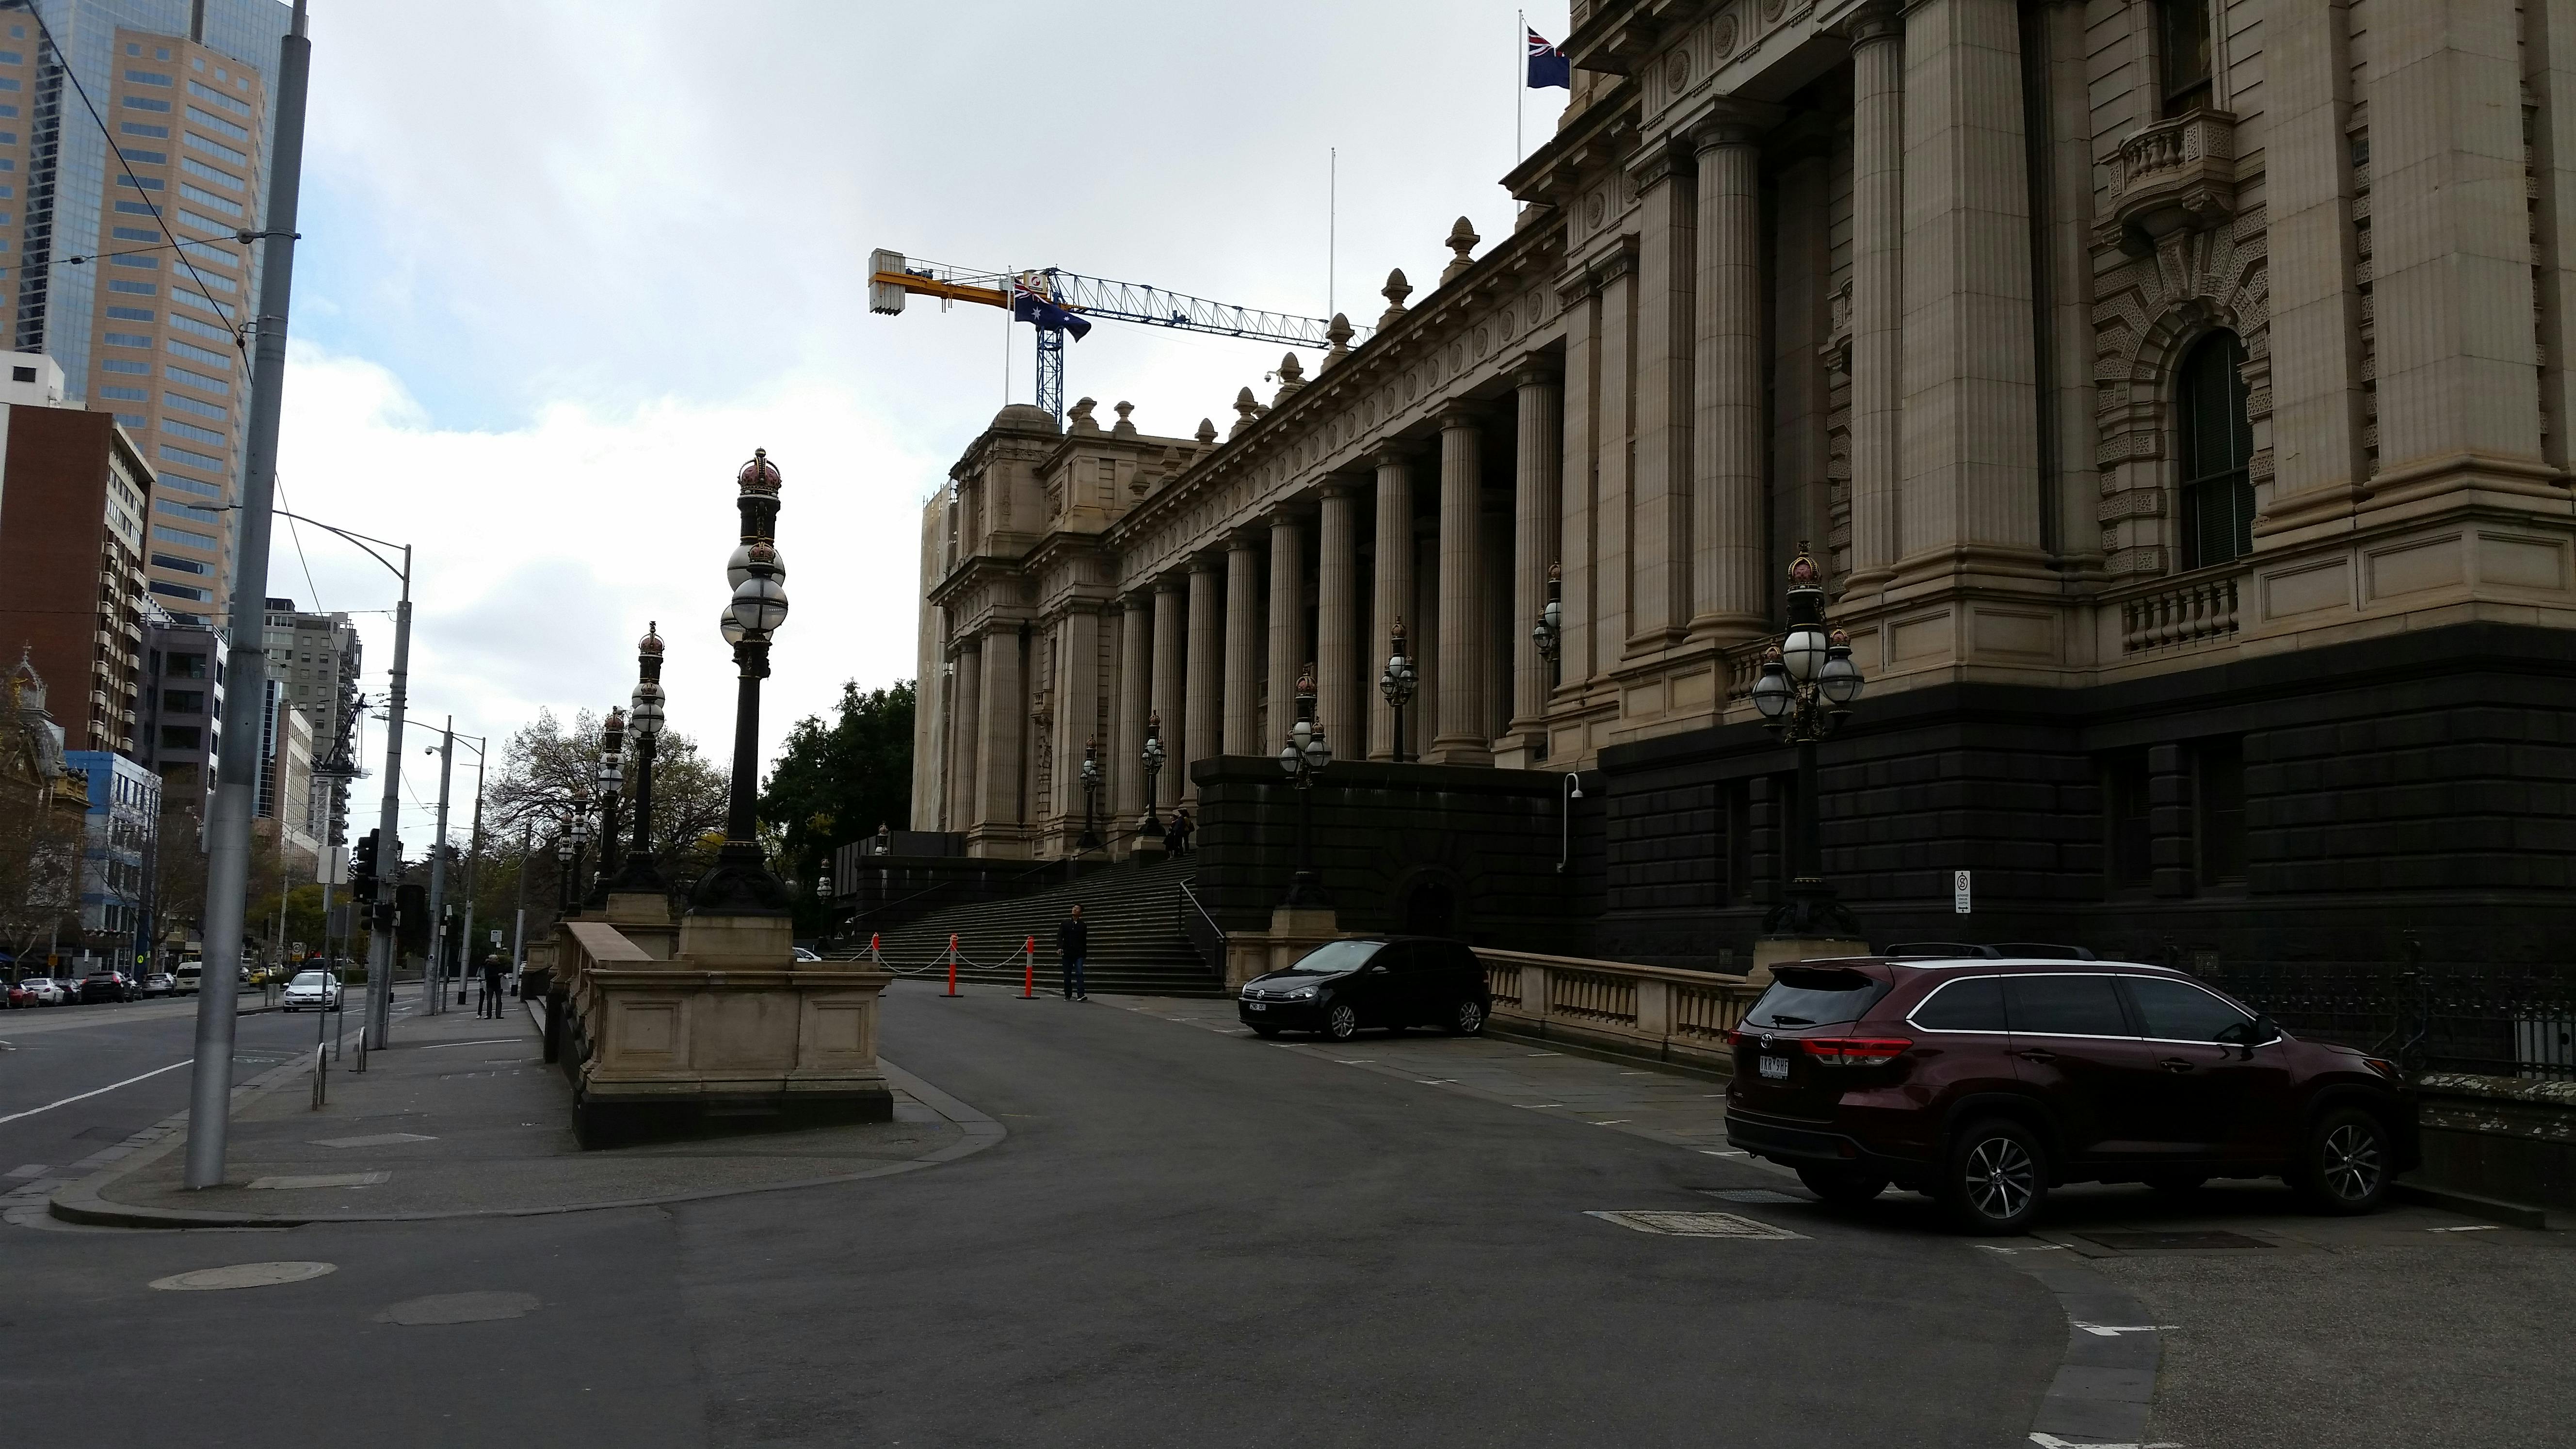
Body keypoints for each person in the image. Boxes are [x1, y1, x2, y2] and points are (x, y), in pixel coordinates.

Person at [1058, 904, 1088, 1002]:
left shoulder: (1083, 925)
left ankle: (1081, 994)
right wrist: (1059, 947)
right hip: (1067, 952)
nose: (1074, 910)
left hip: (1079, 953)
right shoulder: (1065, 923)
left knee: (1080, 973)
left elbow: (1084, 940)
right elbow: (1060, 936)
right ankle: (1068, 994)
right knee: (1067, 974)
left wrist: (1084, 953)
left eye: (1077, 909)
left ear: (1081, 913)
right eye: (1074, 908)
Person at [480, 952, 506, 1019]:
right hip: (490, 984)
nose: (498, 960)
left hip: (498, 984)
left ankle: (498, 1014)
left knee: (499, 1000)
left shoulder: (499, 966)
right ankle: (489, 1014)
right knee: (489, 1000)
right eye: (496, 959)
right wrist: (497, 976)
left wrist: (503, 974)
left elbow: (504, 971)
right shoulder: (488, 966)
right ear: (492, 960)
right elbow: (488, 976)